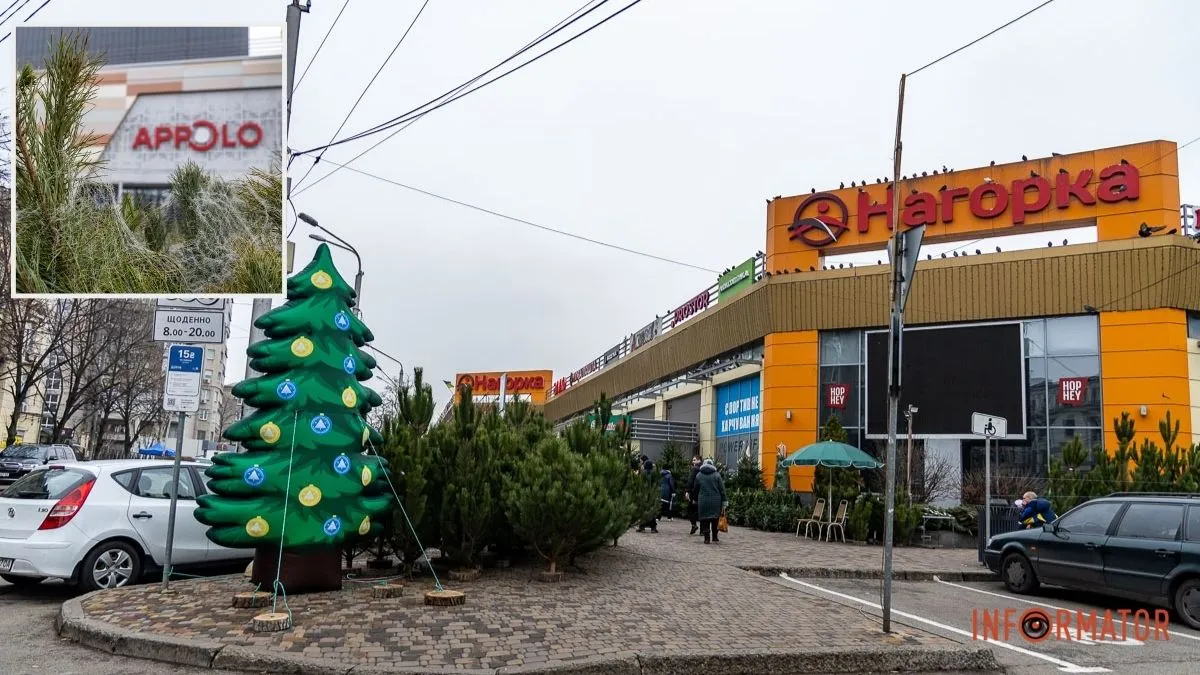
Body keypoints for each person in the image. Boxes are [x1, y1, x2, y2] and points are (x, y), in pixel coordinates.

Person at [694, 458, 727, 544]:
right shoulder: (717, 475)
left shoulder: (699, 475)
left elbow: (696, 489)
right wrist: (724, 501)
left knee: (704, 520)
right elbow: (722, 489)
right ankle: (715, 537)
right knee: (715, 519)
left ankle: (706, 538)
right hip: (716, 501)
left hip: (703, 500)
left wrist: (694, 499)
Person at [635, 456, 659, 533]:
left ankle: (642, 527)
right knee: (652, 512)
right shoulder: (654, 473)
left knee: (643, 511)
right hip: (652, 494)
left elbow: (640, 484)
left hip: (644, 494)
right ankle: (653, 528)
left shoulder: (643, 473)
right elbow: (657, 484)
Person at [685, 455, 702, 535]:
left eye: (694, 460)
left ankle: (694, 525)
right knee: (701, 511)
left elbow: (691, 480)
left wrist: (687, 491)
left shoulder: (695, 469)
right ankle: (703, 530)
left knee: (690, 509)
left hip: (694, 492)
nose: (693, 461)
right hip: (703, 493)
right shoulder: (703, 469)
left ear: (699, 460)